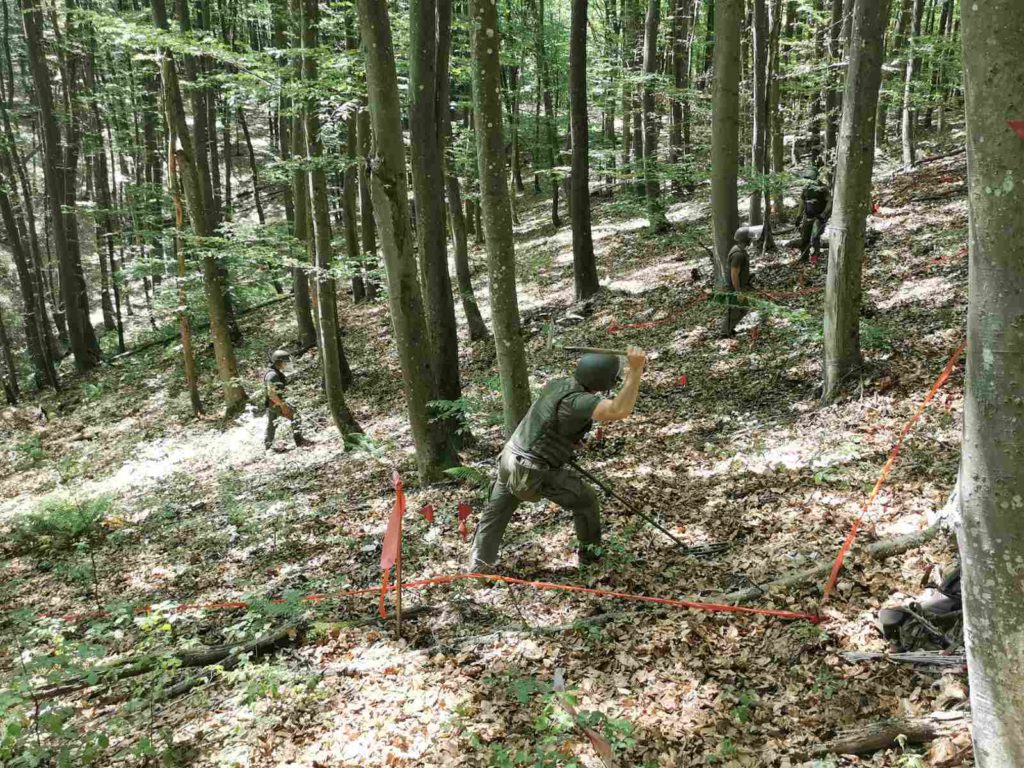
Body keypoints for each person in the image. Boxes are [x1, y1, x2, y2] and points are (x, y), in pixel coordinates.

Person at [469, 347, 648, 571]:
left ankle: (478, 569)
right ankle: (590, 560)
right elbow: (618, 410)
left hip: (510, 458)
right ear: (605, 381)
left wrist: (566, 440)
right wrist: (635, 371)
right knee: (586, 501)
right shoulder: (578, 402)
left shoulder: (559, 385)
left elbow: (550, 420)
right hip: (533, 470)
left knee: (494, 516)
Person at [264, 349, 311, 450]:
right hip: (275, 403)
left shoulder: (274, 373)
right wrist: (282, 405)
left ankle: (267, 446)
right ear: (279, 362)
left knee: (271, 425)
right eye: (285, 362)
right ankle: (299, 441)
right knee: (295, 416)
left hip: (272, 403)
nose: (286, 364)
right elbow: (271, 394)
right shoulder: (272, 375)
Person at [796, 167, 832, 264]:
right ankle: (804, 257)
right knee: (804, 237)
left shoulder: (823, 188)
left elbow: (829, 201)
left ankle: (815, 258)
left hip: (818, 217)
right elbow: (802, 201)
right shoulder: (806, 188)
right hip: (807, 216)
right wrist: (798, 216)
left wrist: (824, 214)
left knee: (815, 237)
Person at [721, 227, 752, 338]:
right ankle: (724, 333)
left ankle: (730, 329)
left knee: (743, 308)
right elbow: (734, 274)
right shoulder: (738, 254)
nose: (751, 239)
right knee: (733, 310)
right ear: (745, 239)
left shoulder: (739, 250)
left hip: (740, 286)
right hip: (734, 287)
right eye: (749, 237)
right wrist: (738, 291)